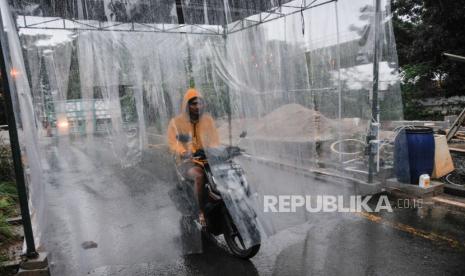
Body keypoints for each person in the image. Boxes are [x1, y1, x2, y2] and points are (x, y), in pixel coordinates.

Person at [167, 88, 220, 227]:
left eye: (200, 103)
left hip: (205, 158)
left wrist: (215, 150)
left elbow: (214, 140)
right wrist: (183, 151)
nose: (198, 106)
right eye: (193, 104)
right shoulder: (176, 122)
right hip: (186, 161)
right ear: (186, 105)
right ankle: (200, 211)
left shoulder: (207, 120)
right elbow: (173, 142)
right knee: (199, 175)